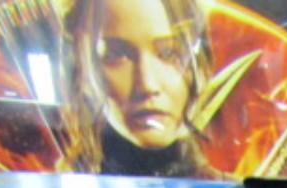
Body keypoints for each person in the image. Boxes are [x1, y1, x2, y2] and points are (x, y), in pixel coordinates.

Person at [64, 0, 217, 176]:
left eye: (169, 53)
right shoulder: (60, 185)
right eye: (116, 55)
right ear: (82, 68)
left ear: (201, 66)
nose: (147, 85)